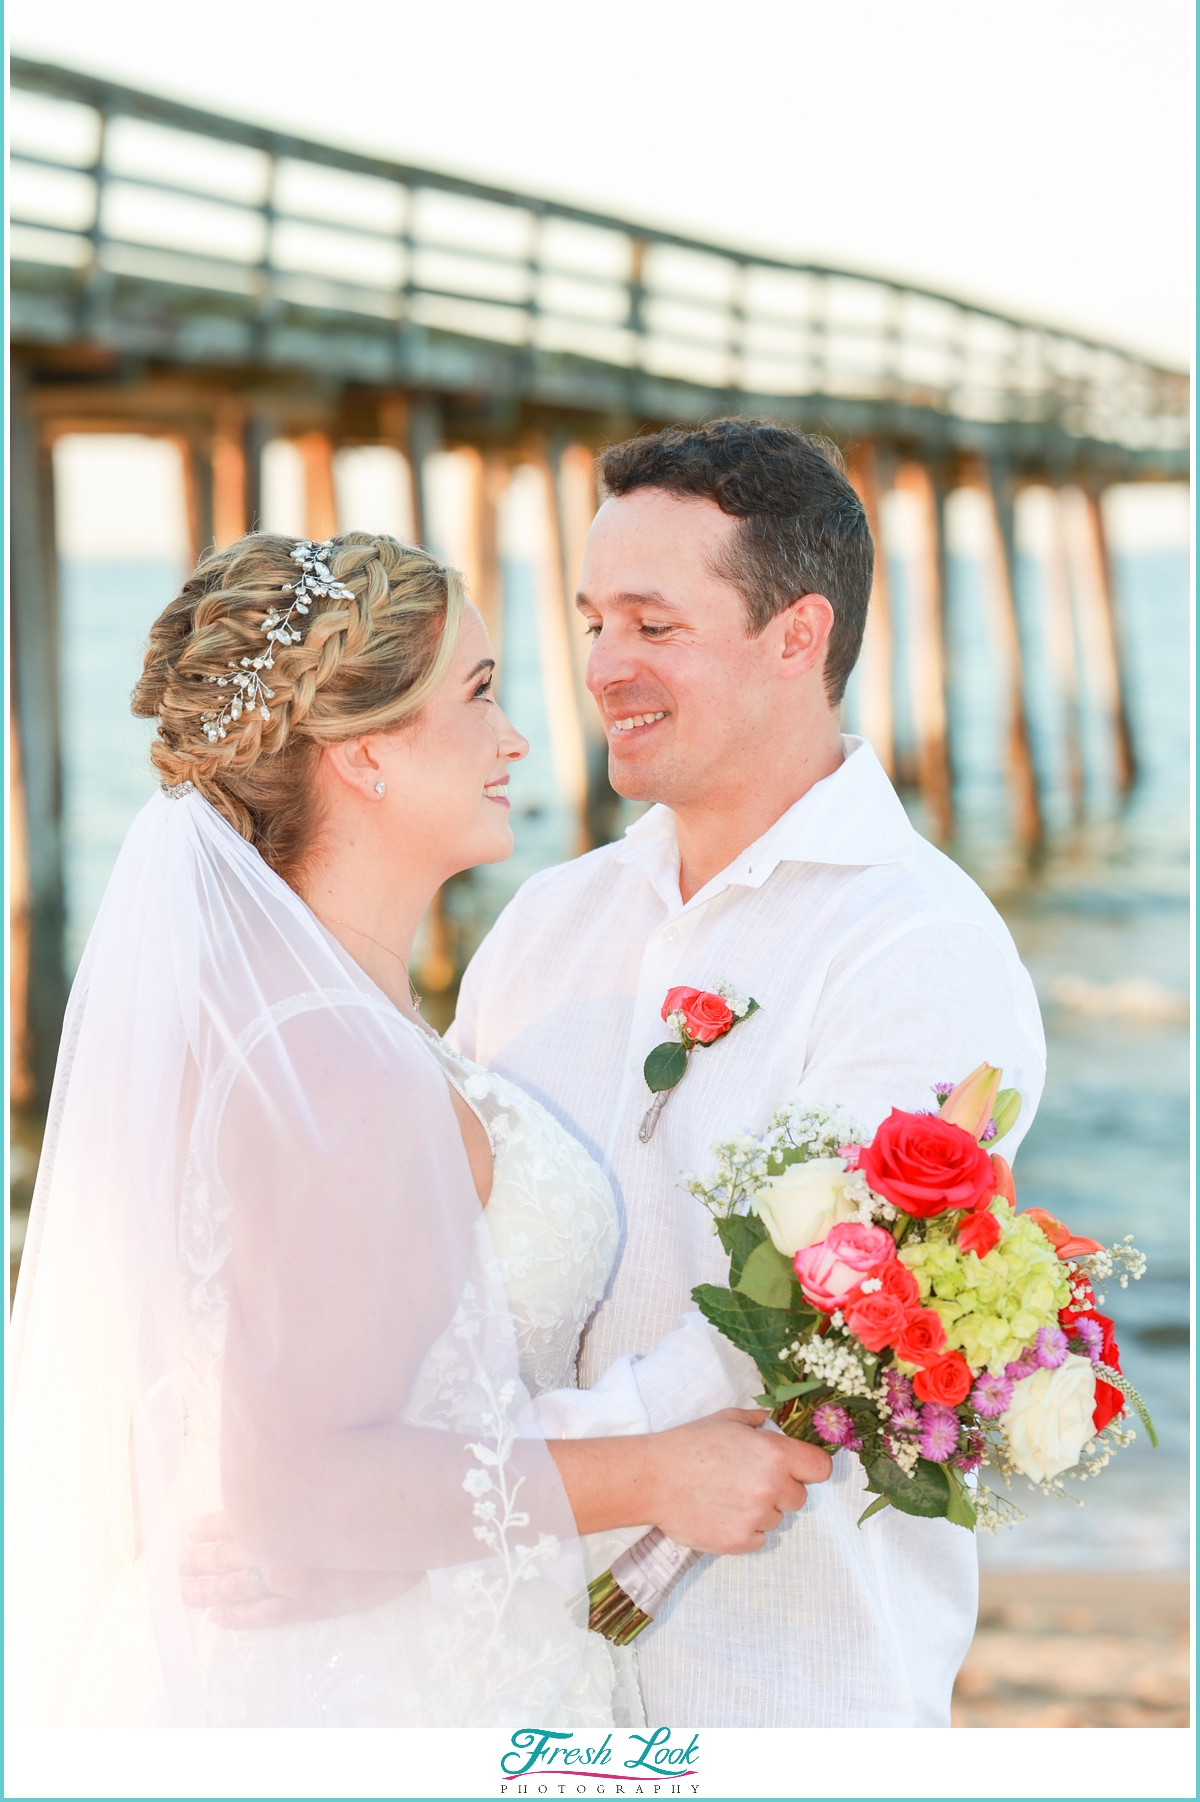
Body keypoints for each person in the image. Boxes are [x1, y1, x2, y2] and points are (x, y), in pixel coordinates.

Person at [7, 529, 830, 1728]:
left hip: (381, 1658)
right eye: (480, 695)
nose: (517, 738)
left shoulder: (310, 1025)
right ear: (365, 753)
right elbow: (301, 1485)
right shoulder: (329, 1062)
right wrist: (657, 1475)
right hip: (358, 1698)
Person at [448, 418, 1048, 1728]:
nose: (601, 666)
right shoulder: (543, 922)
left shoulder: (921, 945)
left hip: (783, 1690)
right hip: (508, 1676)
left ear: (798, 636)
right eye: (592, 617)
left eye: (652, 625)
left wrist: (473, 1484)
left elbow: (791, 1316)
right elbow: (436, 1262)